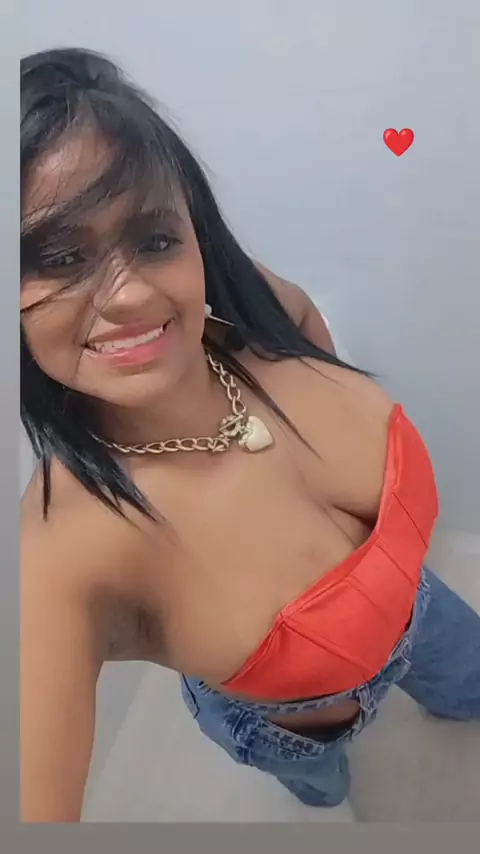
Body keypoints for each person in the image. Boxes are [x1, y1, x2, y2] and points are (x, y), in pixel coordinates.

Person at [20, 47, 480, 823]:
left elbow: (298, 314)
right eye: (60, 258)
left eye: (155, 239)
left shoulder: (238, 315)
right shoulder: (61, 551)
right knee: (327, 799)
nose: (130, 294)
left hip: (426, 610)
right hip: (298, 730)